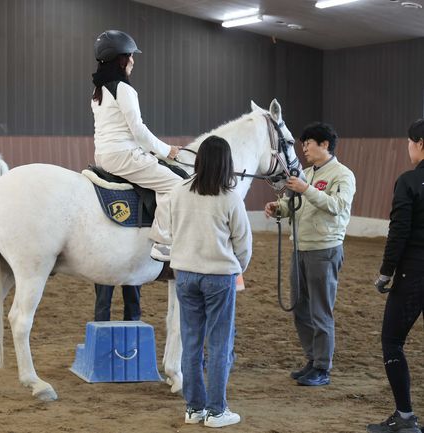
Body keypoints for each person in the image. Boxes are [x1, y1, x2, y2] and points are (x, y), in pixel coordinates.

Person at [264, 122, 356, 386]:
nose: (304, 149)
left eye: (308, 144)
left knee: (320, 310)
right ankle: (312, 359)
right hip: (301, 248)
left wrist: (307, 189)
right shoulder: (304, 173)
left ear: (324, 144)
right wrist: (278, 207)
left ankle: (322, 367)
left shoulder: (343, 175)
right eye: (303, 144)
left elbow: (337, 206)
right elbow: (294, 205)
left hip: (324, 249)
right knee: (300, 309)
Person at [170, 135, 252, 428]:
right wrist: (236, 266)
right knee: (219, 344)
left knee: (191, 343)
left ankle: (194, 408)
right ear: (227, 163)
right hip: (219, 277)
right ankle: (217, 411)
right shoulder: (230, 197)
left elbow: (168, 230)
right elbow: (243, 242)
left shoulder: (177, 191)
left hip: (185, 275)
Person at [91, 30, 182, 261]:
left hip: (103, 154)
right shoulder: (124, 89)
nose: (133, 60)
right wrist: (166, 150)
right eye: (130, 55)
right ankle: (163, 242)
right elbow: (139, 132)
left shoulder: (97, 91)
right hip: (123, 155)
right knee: (175, 184)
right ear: (121, 59)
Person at [366, 119, 424, 433]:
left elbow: (399, 231)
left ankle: (405, 417)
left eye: (409, 143)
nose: (408, 149)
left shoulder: (409, 181)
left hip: (414, 273)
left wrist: (386, 272)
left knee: (393, 342)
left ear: (420, 143)